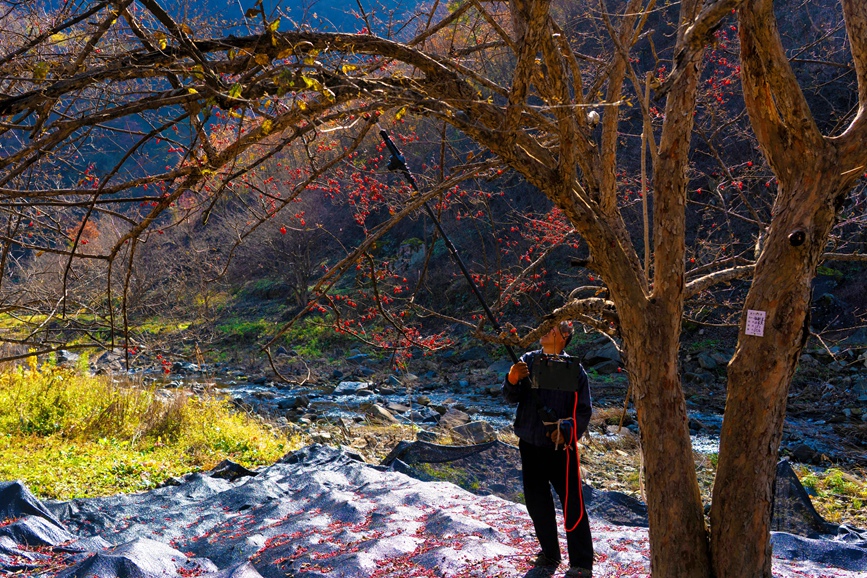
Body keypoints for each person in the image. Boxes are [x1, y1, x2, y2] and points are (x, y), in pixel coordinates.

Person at [503, 320, 593, 578]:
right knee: (536, 502)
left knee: (572, 503)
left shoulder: (575, 371)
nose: (543, 330)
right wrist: (512, 379)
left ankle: (582, 563)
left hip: (561, 449)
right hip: (529, 445)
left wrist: (566, 431)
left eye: (551, 327)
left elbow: (583, 410)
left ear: (564, 336)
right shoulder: (527, 361)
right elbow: (510, 396)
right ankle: (550, 553)